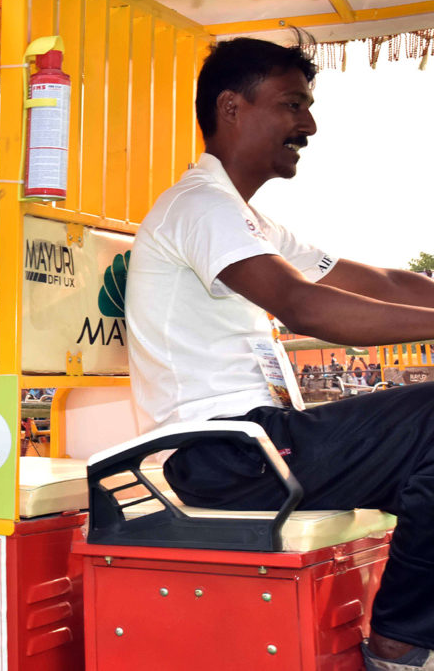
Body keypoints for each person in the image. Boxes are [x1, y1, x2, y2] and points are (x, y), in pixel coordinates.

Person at [126, 36, 434, 670]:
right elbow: (305, 309)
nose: (309, 125)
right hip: (223, 455)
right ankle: (399, 649)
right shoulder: (200, 206)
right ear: (232, 107)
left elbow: (376, 283)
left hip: (255, 446)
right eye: (293, 105)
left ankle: (406, 637)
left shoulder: (246, 220)